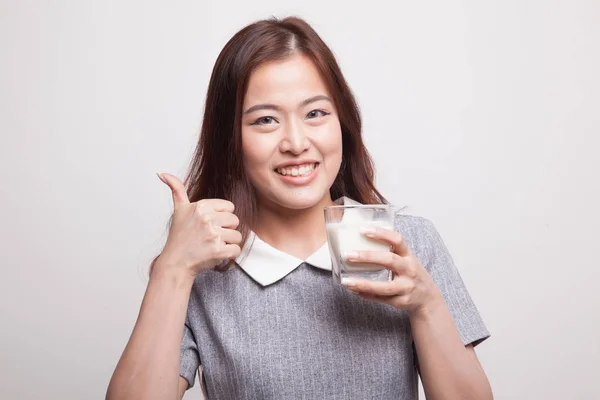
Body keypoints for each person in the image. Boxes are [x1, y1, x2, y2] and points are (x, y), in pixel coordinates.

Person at [106, 16, 492, 400]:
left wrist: (427, 306)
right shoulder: (202, 266)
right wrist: (172, 269)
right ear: (230, 139)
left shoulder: (406, 245)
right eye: (266, 120)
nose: (295, 141)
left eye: (315, 114)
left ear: (343, 122)